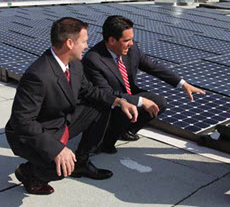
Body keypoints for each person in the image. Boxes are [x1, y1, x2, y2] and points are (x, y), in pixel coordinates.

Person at [5, 17, 138, 195]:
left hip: (59, 123)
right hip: (31, 134)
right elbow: (22, 121)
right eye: (84, 41)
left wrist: (119, 101)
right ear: (69, 43)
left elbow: (89, 91)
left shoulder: (74, 65)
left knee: (102, 105)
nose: (87, 46)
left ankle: (81, 162)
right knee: (60, 168)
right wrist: (57, 149)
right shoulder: (38, 75)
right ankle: (28, 173)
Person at [82, 15, 205, 154]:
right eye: (126, 40)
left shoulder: (132, 50)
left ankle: (127, 130)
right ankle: (106, 142)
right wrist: (139, 101)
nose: (132, 44)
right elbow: (106, 94)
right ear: (111, 40)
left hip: (127, 96)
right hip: (109, 104)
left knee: (159, 103)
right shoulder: (93, 60)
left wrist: (182, 83)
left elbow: (153, 67)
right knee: (128, 108)